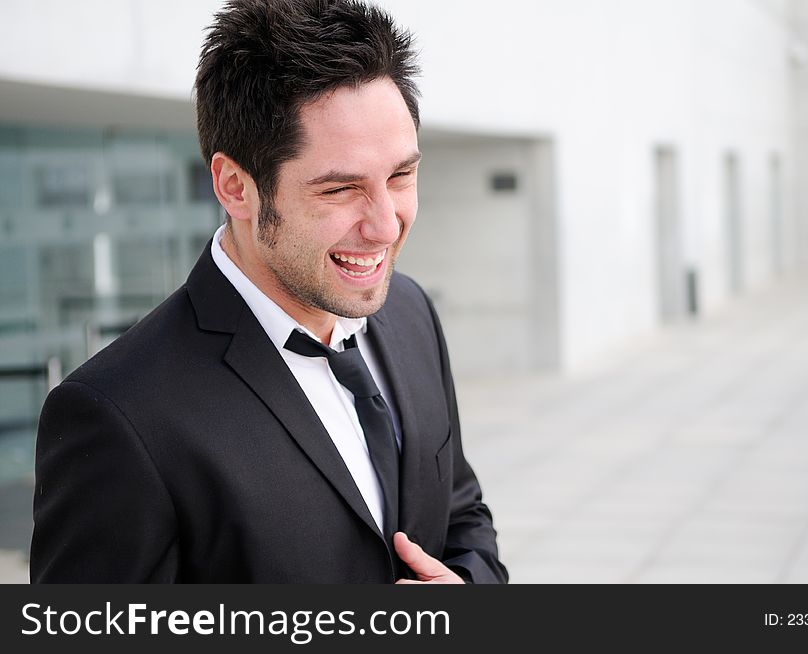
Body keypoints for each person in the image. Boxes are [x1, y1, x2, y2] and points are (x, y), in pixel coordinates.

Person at [30, 0, 507, 584]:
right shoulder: (116, 415)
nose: (386, 225)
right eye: (340, 190)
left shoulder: (410, 312)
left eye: (401, 176)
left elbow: (463, 516)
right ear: (236, 187)